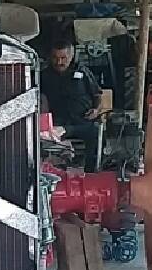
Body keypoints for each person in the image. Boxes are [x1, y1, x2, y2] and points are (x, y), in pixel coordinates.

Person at [40, 41, 104, 172]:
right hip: (57, 123)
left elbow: (97, 95)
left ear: (71, 56)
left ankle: (91, 173)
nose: (59, 62)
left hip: (82, 122)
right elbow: (40, 99)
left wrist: (96, 110)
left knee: (96, 132)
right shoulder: (44, 76)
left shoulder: (82, 72)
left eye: (63, 58)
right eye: (55, 58)